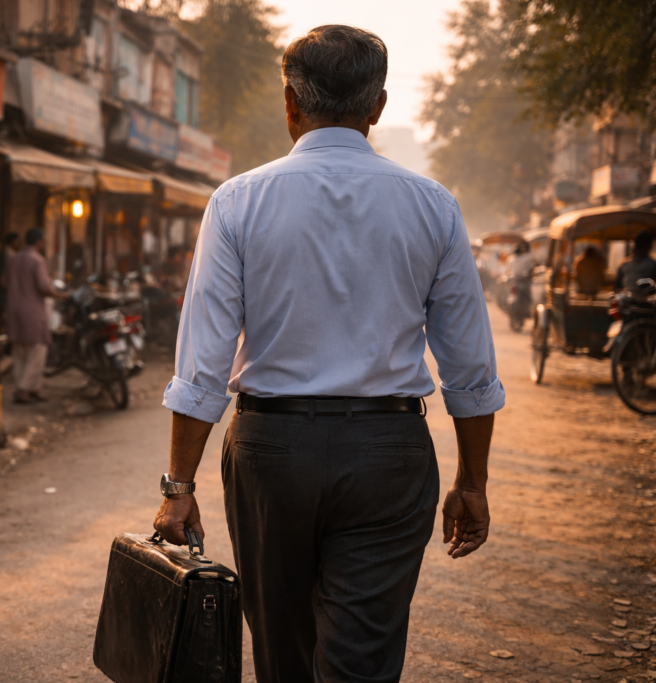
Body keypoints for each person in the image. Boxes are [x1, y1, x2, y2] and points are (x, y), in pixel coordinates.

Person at [152, 25, 503, 683]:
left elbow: (202, 364)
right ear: (378, 107)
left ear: (290, 102)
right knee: (360, 661)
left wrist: (178, 487)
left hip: (270, 453)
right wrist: (472, 481)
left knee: (281, 653)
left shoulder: (238, 203)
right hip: (389, 456)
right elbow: (471, 371)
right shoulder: (434, 206)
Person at [4, 228, 64, 404]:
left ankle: (33, 389)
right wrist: (58, 294)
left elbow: (3, 282)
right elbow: (44, 287)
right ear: (39, 241)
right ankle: (23, 389)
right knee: (37, 351)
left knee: (19, 352)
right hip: (32, 311)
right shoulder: (37, 260)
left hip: (13, 310)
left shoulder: (14, 259)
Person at [0, 232, 21, 317]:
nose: (18, 244)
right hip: (2, 288)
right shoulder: (5, 254)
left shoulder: (11, 253)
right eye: (17, 241)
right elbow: (1, 272)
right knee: (1, 310)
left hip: (5, 287)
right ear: (12, 241)